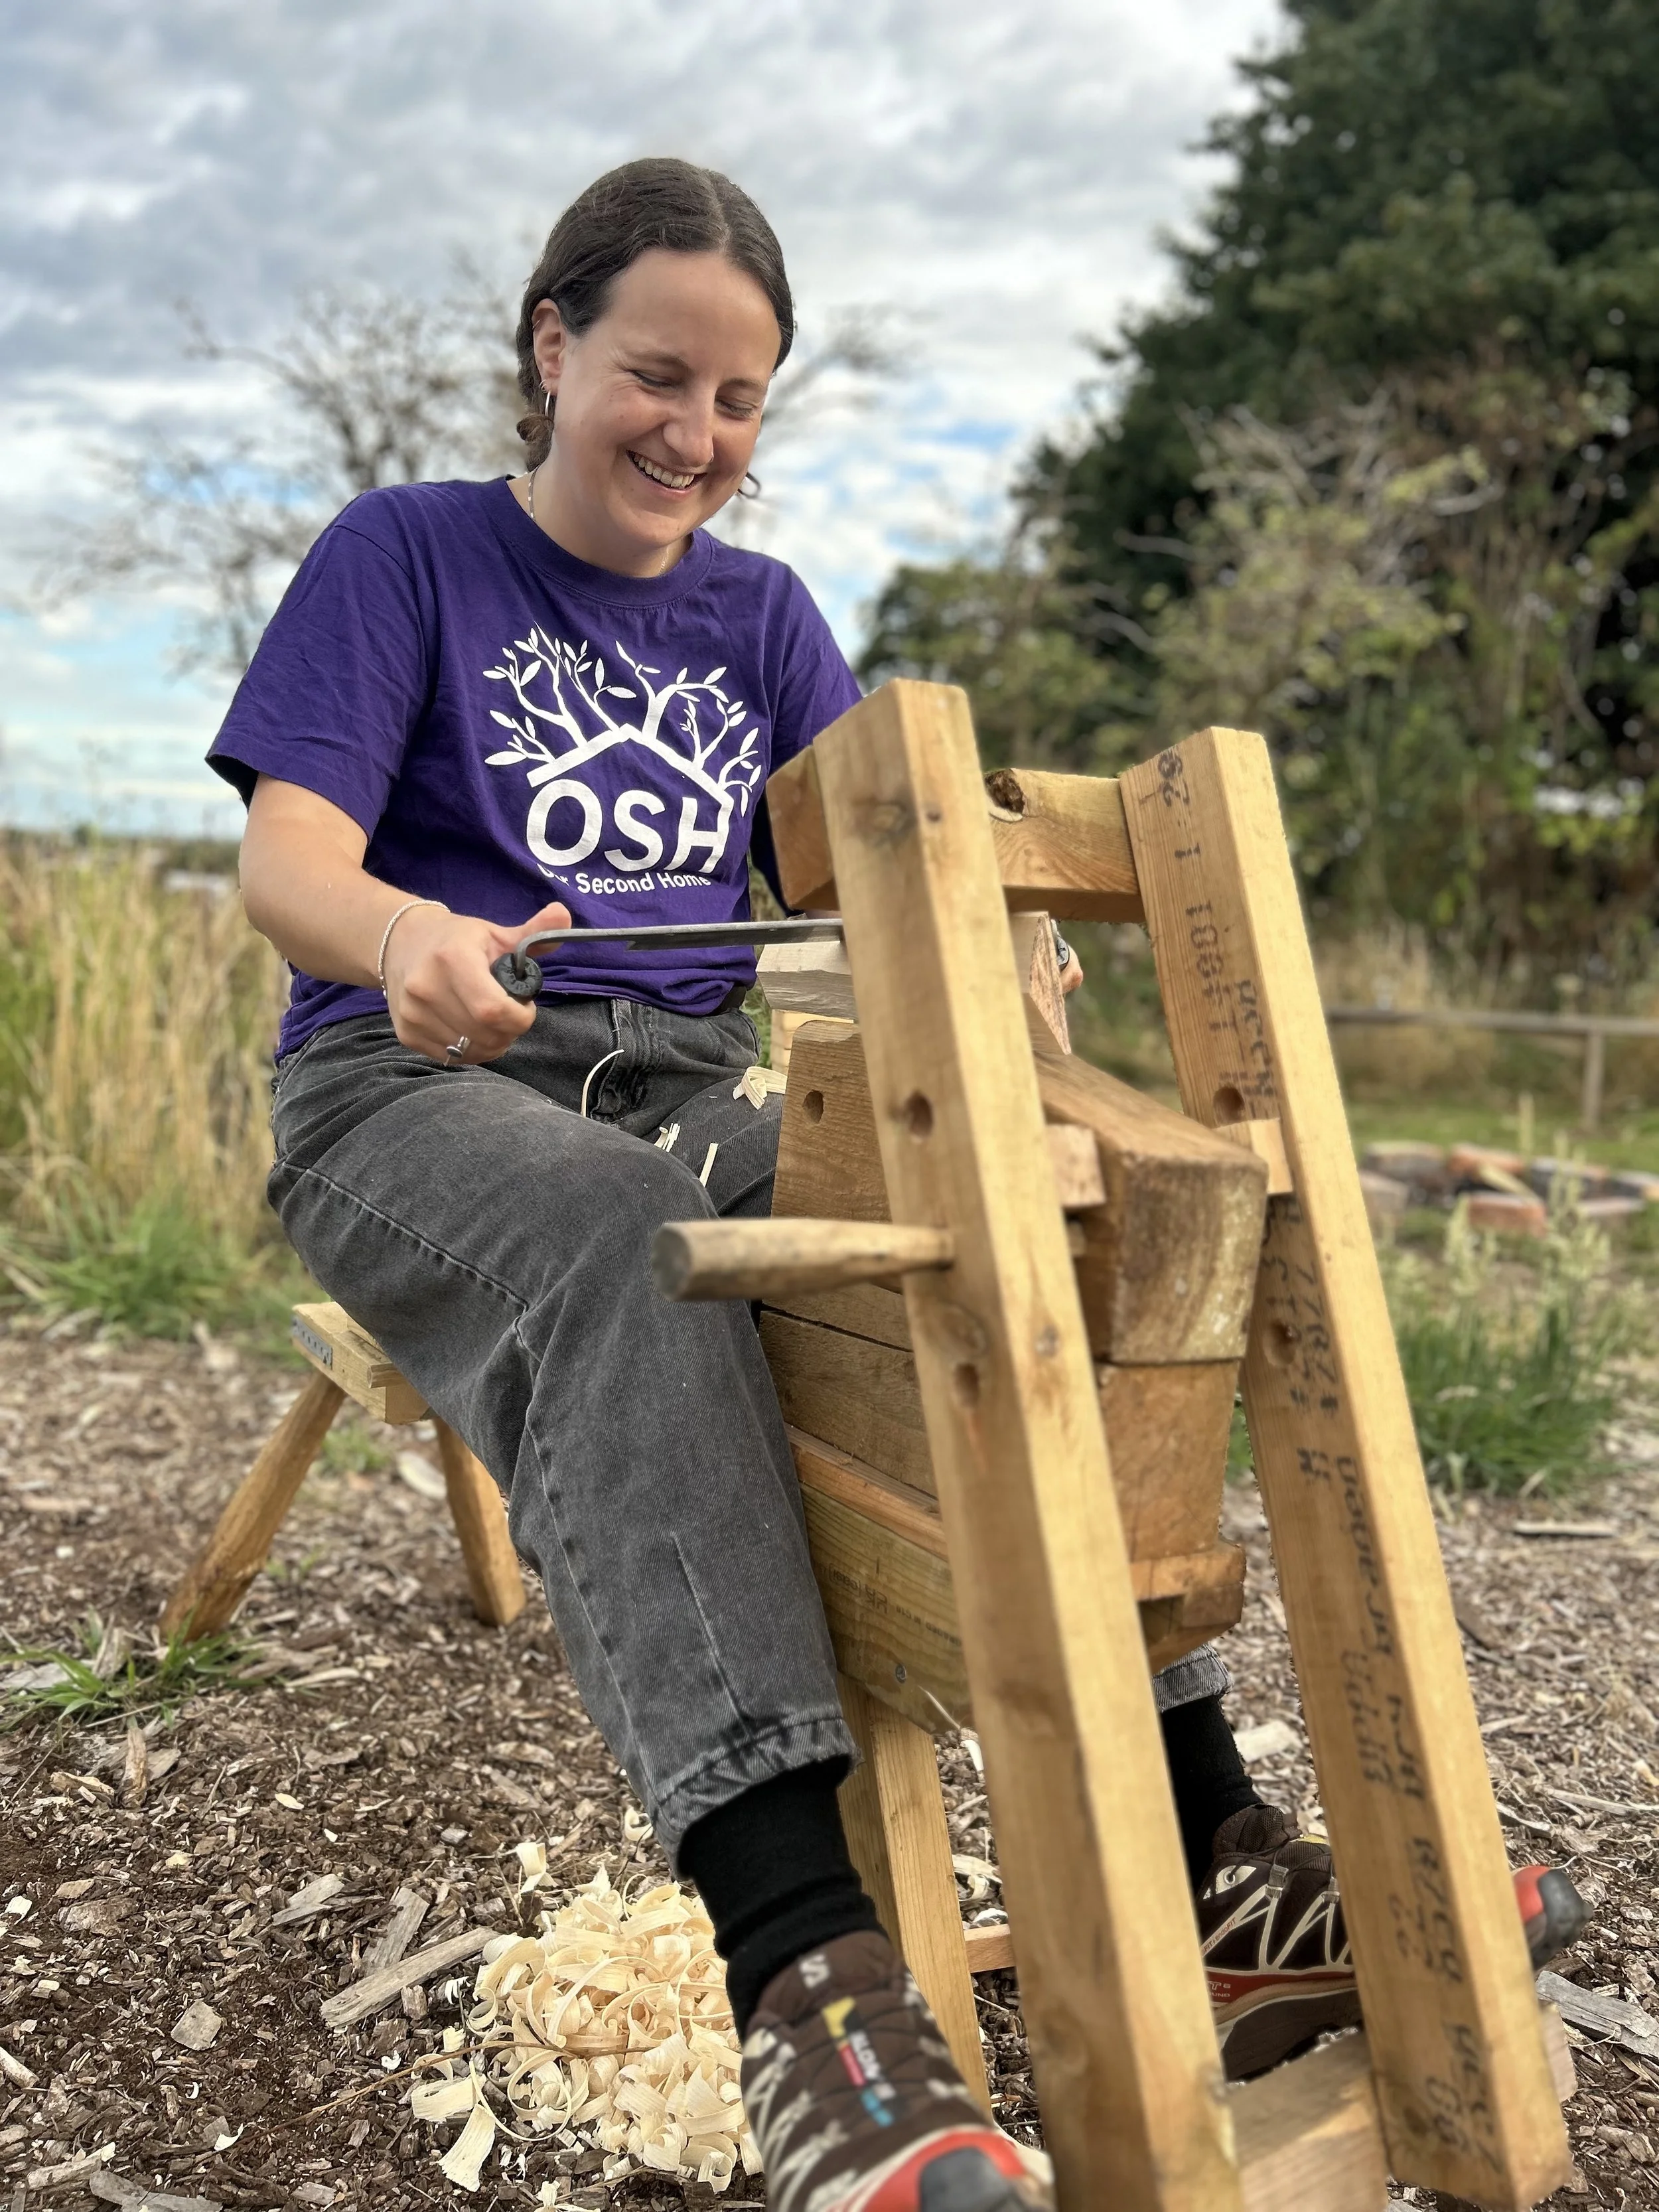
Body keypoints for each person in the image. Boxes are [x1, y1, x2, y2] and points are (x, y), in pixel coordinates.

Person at [211, 158, 1354, 2212]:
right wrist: (400, 940)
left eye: (739, 402)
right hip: (410, 1091)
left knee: (1026, 1187)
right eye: (658, 375)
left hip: (682, 1081)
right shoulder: (405, 556)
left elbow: (894, 867)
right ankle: (812, 1990)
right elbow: (284, 864)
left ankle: (1212, 1857)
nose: (695, 438)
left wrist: (996, 945)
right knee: (617, 1245)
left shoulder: (763, 619)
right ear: (550, 351)